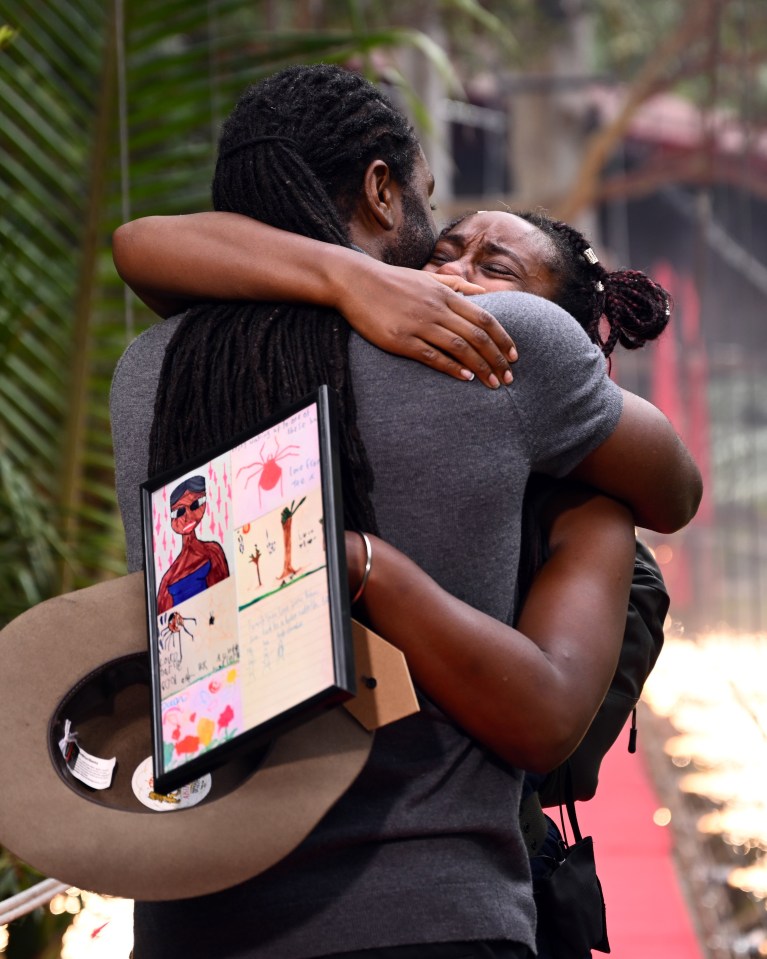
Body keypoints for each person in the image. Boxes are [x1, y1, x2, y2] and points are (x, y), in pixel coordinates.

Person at [110, 64, 701, 959]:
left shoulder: (144, 372)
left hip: (193, 920)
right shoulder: (497, 349)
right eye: (430, 209)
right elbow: (676, 489)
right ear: (382, 192)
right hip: (430, 908)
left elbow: (143, 242)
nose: (448, 271)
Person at [156, 474, 229, 613]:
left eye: (195, 504)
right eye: (179, 512)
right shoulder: (168, 579)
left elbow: (226, 597)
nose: (188, 517)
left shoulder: (213, 552)